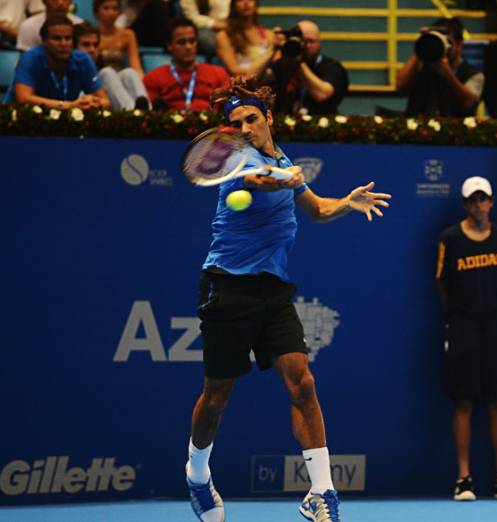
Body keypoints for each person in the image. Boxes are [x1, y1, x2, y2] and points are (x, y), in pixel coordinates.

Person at [185, 75, 391, 522]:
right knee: (216, 398)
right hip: (227, 286)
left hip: (272, 289)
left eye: (251, 119)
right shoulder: (236, 166)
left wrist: (347, 202)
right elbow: (263, 181)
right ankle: (198, 474)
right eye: (235, 123)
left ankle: (322, 492)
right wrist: (282, 177)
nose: (244, 128)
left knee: (303, 383)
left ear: (269, 119)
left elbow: (316, 208)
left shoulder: (283, 158)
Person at [435, 176, 497, 502]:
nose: (479, 205)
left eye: (484, 200)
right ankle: (463, 479)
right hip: (463, 327)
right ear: (466, 205)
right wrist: (459, 317)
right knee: (464, 401)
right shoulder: (450, 239)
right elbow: (441, 285)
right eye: (473, 200)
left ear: (491, 202)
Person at [12, 15, 110, 109]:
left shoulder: (83, 60)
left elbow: (105, 101)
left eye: (68, 38)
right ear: (44, 41)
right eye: (57, 38)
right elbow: (23, 98)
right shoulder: (30, 58)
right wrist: (68, 106)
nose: (63, 44)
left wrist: (93, 103)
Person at [396, 17, 483, 117]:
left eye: (449, 42)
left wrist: (448, 74)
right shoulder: (421, 65)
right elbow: (399, 86)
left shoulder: (474, 74)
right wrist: (422, 46)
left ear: (460, 44)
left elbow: (469, 103)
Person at [143, 17, 229, 111]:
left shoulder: (218, 74)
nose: (188, 47)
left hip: (211, 123)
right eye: (181, 42)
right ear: (169, 45)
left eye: (192, 41)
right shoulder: (153, 78)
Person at [266, 20, 349, 115]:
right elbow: (254, 79)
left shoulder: (332, 67)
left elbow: (322, 94)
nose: (306, 46)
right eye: (302, 41)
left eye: (311, 41)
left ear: (319, 43)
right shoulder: (284, 64)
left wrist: (298, 61)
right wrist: (273, 48)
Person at [74, 22, 148, 109]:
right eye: (86, 45)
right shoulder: (66, 66)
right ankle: (134, 116)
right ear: (73, 47)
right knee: (107, 73)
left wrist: (101, 102)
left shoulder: (93, 71)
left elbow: (105, 101)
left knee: (129, 73)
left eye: (95, 45)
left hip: (105, 107)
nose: (92, 49)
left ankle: (149, 113)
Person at [215, 0, 276, 79]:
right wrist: (261, 72)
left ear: (255, 5)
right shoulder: (224, 36)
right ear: (233, 6)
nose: (246, 3)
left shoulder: (269, 35)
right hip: (240, 84)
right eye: (240, 0)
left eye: (250, 0)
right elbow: (234, 70)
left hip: (266, 83)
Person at [92, 0, 143, 77]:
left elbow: (135, 65)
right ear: (96, 12)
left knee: (130, 73)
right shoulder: (90, 35)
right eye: (106, 8)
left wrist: (142, 80)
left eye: (115, 9)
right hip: (97, 80)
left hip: (121, 78)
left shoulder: (128, 35)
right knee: (107, 72)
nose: (111, 13)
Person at [16, 0, 83, 51]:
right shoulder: (28, 26)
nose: (60, 3)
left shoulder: (80, 24)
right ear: (44, 1)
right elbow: (25, 58)